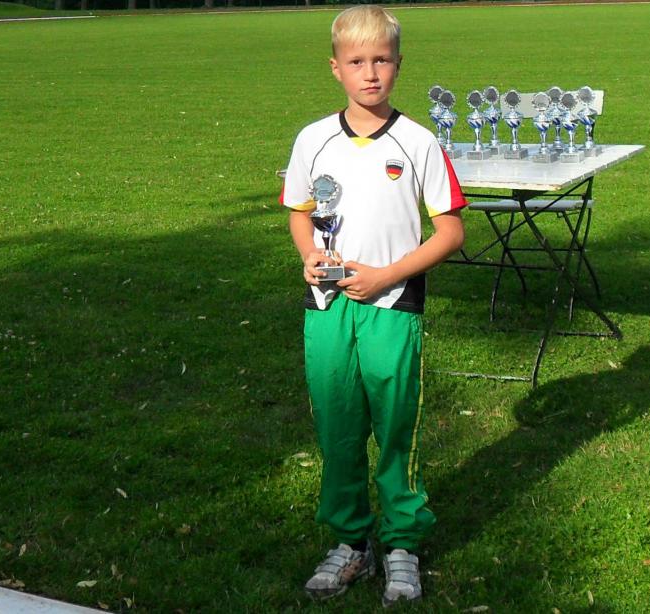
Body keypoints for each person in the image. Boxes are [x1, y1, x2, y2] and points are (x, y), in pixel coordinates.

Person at [279, 5, 466, 607]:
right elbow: (300, 212)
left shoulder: (419, 142)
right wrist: (310, 255)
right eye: (357, 61)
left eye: (381, 60)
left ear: (398, 65)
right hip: (327, 306)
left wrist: (387, 274)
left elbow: (450, 232)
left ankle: (402, 543)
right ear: (335, 68)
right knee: (337, 427)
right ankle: (350, 540)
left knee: (395, 427)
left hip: (393, 304)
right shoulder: (313, 139)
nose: (370, 73)